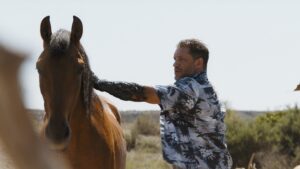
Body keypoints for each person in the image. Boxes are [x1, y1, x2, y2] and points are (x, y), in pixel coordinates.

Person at [92, 39, 232, 169]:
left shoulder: (192, 87)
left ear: (198, 63)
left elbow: (145, 94)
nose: (175, 64)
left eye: (182, 59)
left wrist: (99, 84)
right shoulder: (205, 89)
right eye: (175, 59)